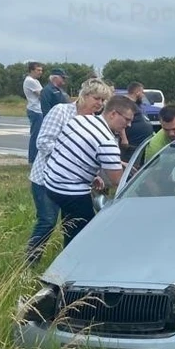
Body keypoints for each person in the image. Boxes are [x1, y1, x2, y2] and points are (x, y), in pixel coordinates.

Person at [25, 77, 114, 263]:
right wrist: (66, 155)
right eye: (97, 98)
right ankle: (30, 262)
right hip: (46, 179)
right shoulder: (61, 111)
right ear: (84, 95)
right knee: (47, 221)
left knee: (71, 225)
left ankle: (69, 262)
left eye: (103, 101)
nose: (100, 104)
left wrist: (94, 174)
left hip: (74, 185)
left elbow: (88, 152)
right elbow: (43, 141)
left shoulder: (94, 121)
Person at [42, 95, 136, 248]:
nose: (129, 125)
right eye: (127, 119)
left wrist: (94, 175)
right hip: (71, 191)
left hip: (51, 182)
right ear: (113, 114)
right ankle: (72, 265)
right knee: (85, 235)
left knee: (70, 227)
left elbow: (73, 153)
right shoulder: (107, 141)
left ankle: (66, 253)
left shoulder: (80, 120)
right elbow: (117, 181)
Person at [119, 81, 156, 162]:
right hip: (132, 144)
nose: (143, 95)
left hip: (141, 143)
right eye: (142, 92)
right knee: (131, 167)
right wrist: (124, 139)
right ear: (137, 92)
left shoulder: (136, 104)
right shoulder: (126, 103)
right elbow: (121, 121)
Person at [23, 62, 44, 163]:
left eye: (41, 70)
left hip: (38, 109)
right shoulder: (30, 81)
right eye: (38, 70)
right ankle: (33, 159)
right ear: (32, 70)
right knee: (36, 135)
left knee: (38, 134)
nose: (40, 72)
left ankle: (35, 158)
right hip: (35, 110)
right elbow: (42, 95)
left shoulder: (35, 81)